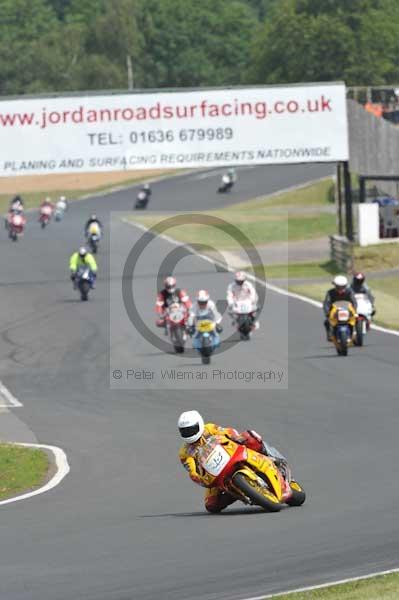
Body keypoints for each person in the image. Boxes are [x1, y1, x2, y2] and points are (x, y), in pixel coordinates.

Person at [178, 410, 291, 513]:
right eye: (185, 431)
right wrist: (194, 475)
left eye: (191, 429)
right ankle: (240, 491)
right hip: (214, 472)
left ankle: (271, 457)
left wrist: (236, 437)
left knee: (251, 438)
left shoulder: (209, 428)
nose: (189, 433)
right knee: (211, 505)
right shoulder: (184, 452)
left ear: (200, 424)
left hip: (231, 453)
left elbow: (227, 431)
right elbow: (191, 468)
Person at [323, 275, 357, 340]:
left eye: (342, 287)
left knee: (357, 319)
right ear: (335, 285)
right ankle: (330, 334)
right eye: (338, 287)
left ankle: (356, 334)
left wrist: (354, 311)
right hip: (335, 312)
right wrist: (327, 313)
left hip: (348, 311)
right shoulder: (330, 292)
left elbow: (354, 302)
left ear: (345, 286)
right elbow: (326, 303)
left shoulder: (350, 292)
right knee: (327, 321)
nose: (340, 289)